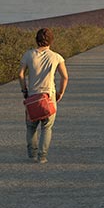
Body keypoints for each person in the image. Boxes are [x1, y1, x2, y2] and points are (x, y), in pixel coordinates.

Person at [18, 28, 69, 163]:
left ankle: (32, 154)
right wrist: (60, 92)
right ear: (51, 40)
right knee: (47, 127)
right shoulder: (57, 57)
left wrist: (24, 90)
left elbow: (21, 74)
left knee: (31, 126)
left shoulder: (28, 55)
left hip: (32, 95)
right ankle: (42, 156)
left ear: (36, 39)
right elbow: (65, 77)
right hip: (49, 96)